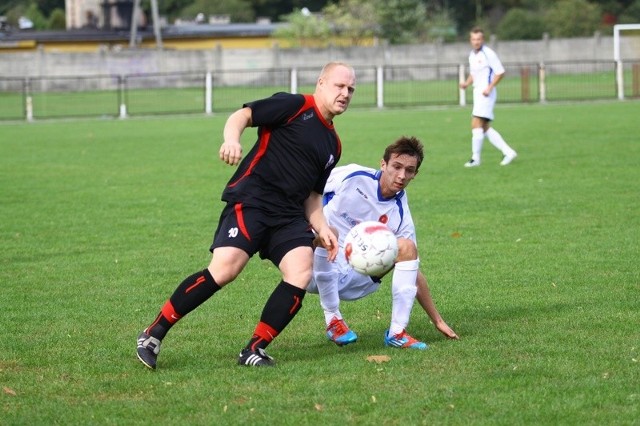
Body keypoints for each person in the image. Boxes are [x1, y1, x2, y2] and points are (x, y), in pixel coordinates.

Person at [136, 61, 356, 369]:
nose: (345, 93)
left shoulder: (333, 144)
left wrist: (324, 228)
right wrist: (232, 139)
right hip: (254, 199)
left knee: (300, 272)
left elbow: (313, 197)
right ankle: (153, 333)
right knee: (225, 269)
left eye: (350, 89)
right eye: (339, 86)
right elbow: (244, 115)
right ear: (321, 83)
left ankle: (255, 348)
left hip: (289, 215)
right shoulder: (294, 105)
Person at [307, 136, 458, 350]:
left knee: (406, 247)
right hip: (312, 268)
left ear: (415, 174)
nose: (401, 175)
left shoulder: (400, 213)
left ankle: (397, 332)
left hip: (353, 279)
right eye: (396, 166)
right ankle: (333, 320)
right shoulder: (353, 176)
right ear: (383, 164)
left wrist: (438, 320)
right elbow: (308, 188)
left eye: (409, 170)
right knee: (327, 232)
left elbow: (412, 272)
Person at [459, 27, 517, 167]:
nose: (476, 41)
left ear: (482, 40)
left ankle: (475, 158)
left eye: (478, 39)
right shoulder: (472, 55)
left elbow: (500, 72)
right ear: (470, 40)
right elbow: (474, 73)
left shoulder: (488, 53)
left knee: (476, 123)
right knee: (484, 127)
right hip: (477, 92)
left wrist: (489, 88)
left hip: (486, 94)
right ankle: (508, 152)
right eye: (473, 39)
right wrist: (466, 84)